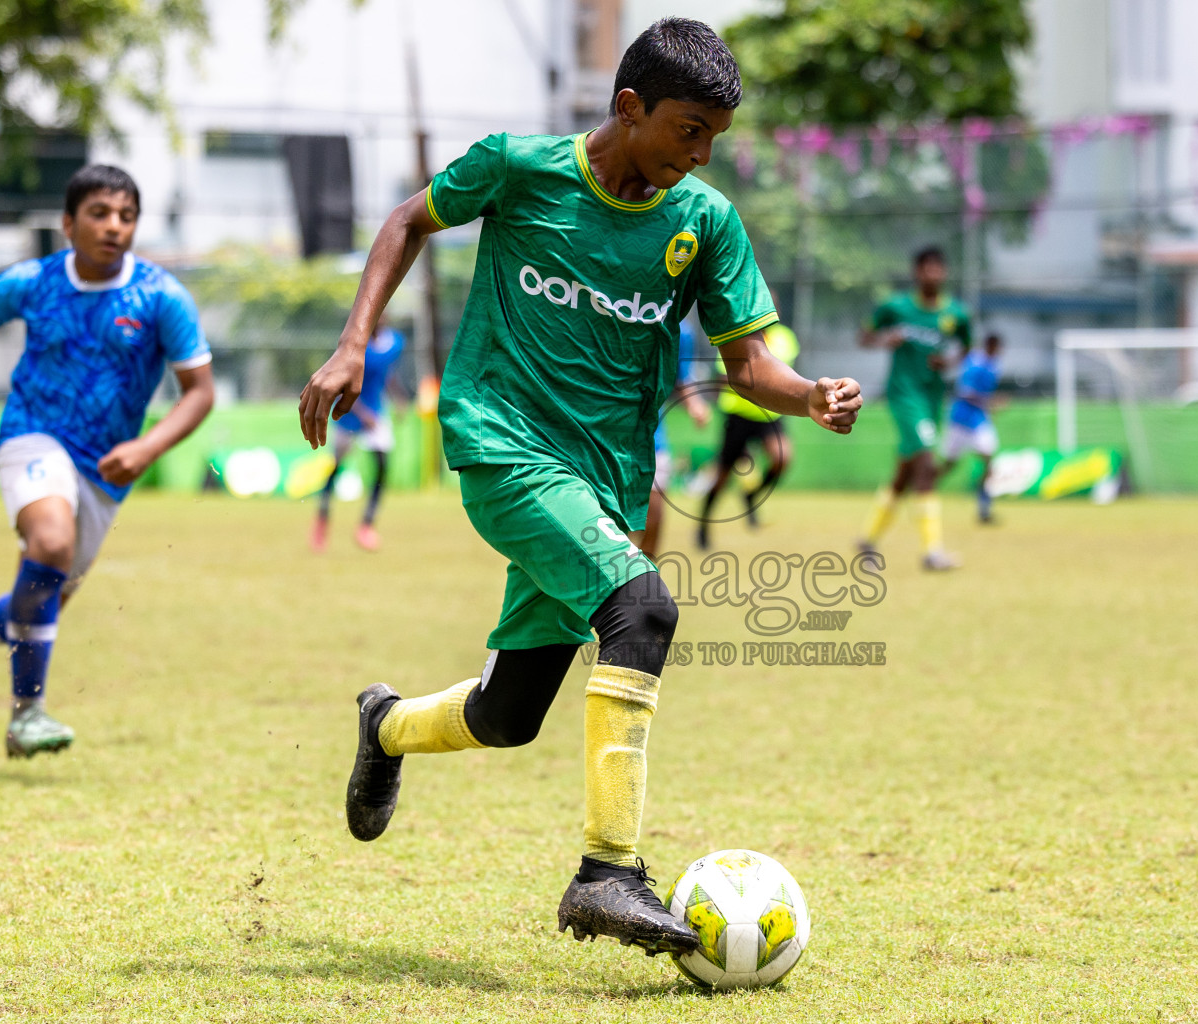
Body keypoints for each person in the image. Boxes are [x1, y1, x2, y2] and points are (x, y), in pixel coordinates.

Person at [297, 18, 862, 958]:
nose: (703, 152)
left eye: (715, 135)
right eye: (689, 129)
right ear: (629, 108)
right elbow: (407, 220)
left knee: (508, 715)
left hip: (602, 478)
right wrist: (353, 341)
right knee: (643, 609)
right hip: (501, 442)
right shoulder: (518, 167)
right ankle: (607, 874)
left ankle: (385, 725)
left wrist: (810, 398)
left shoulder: (703, 222)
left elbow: (750, 362)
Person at [0, 165, 214, 758]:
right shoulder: (29, 282)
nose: (114, 227)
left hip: (106, 471)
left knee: (39, 603)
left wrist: (149, 447)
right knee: (49, 546)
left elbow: (200, 392)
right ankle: (28, 716)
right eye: (100, 214)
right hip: (32, 436)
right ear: (68, 223)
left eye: (127, 217)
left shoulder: (161, 297)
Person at [858, 247, 971, 569]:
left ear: (945, 273)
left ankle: (867, 540)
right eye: (927, 268)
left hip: (932, 397)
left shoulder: (956, 315)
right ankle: (932, 552)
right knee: (925, 462)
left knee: (904, 473)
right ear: (917, 273)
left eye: (938, 268)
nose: (933, 274)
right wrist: (884, 340)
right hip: (904, 395)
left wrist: (949, 361)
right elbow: (863, 337)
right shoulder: (897, 307)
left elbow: (967, 347)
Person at [696, 312, 798, 549]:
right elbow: (726, 376)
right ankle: (703, 523)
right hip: (738, 415)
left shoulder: (785, 339)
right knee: (722, 477)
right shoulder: (737, 337)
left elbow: (784, 375)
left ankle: (751, 496)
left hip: (769, 415)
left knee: (782, 458)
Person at [312, 315, 405, 552]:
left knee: (383, 465)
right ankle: (322, 520)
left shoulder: (394, 343)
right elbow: (343, 385)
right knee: (336, 467)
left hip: (375, 413)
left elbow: (386, 373)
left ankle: (366, 526)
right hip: (348, 414)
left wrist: (399, 397)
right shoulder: (353, 345)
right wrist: (363, 416)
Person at [641, 320, 709, 560]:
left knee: (655, 511)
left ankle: (642, 580)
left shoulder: (682, 329)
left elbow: (683, 375)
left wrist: (695, 404)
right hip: (600, 435)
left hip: (651, 435)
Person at [940, 332, 1003, 523]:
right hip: (960, 419)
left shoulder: (994, 366)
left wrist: (988, 406)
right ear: (989, 346)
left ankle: (984, 508)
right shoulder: (974, 363)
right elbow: (964, 392)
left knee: (989, 461)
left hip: (978, 421)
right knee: (948, 465)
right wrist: (990, 402)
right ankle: (923, 491)